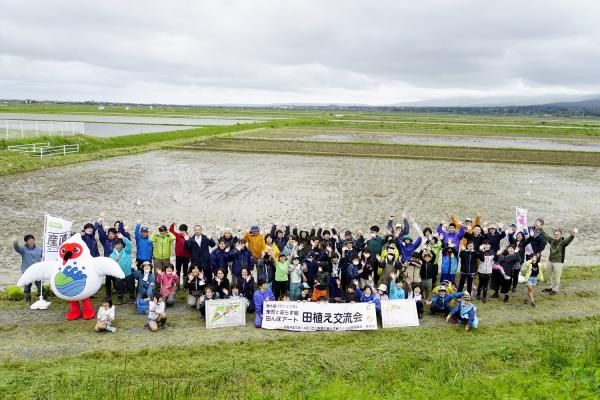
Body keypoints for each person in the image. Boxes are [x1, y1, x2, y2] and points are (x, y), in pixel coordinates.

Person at [541, 227, 576, 294]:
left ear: (560, 235)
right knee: (549, 276)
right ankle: (549, 287)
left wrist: (572, 234)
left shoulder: (563, 242)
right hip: (550, 261)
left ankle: (554, 289)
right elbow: (546, 236)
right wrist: (541, 229)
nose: (556, 236)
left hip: (558, 262)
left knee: (557, 277)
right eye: (555, 234)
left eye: (557, 234)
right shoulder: (551, 240)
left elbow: (569, 240)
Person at [12, 233, 43, 305]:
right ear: (26, 242)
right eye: (30, 240)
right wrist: (15, 242)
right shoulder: (23, 250)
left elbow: (44, 257)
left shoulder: (40, 249)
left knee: (40, 286)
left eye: (33, 240)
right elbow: (17, 248)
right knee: (27, 286)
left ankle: (44, 299)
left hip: (37, 271)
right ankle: (28, 301)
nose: (32, 241)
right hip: (27, 271)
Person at [110, 234, 135, 305]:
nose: (118, 246)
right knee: (118, 285)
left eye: (119, 244)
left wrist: (123, 238)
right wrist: (115, 260)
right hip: (118, 274)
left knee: (130, 285)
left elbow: (129, 244)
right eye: (116, 245)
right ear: (114, 246)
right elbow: (110, 264)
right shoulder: (112, 255)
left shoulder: (126, 251)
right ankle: (120, 298)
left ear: (121, 245)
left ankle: (131, 297)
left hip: (128, 273)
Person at [169, 223, 191, 287]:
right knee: (178, 271)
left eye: (182, 231)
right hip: (178, 256)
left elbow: (190, 248)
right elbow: (171, 231)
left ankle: (185, 285)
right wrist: (172, 224)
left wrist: (190, 257)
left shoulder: (189, 238)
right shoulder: (177, 235)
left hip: (186, 257)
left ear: (185, 231)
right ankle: (177, 285)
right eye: (180, 230)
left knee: (185, 271)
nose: (181, 232)